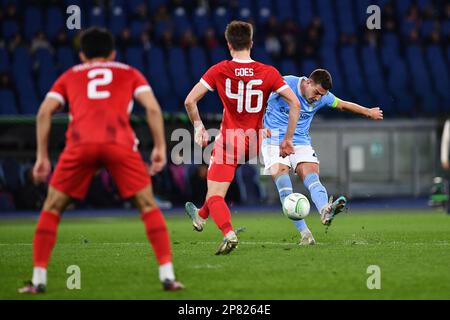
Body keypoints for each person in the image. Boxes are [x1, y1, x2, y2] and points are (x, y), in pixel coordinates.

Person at [18, 27, 183, 294]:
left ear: (82, 55)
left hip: (80, 144)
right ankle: (167, 276)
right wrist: (160, 148)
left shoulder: (70, 75)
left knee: (52, 207)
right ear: (113, 53)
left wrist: (42, 156)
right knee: (147, 205)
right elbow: (152, 108)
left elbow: (44, 112)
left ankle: (38, 280)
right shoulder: (129, 72)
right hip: (118, 143)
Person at [183, 21, 301, 255]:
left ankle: (228, 233)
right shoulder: (269, 72)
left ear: (228, 45)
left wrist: (198, 127)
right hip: (255, 142)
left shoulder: (219, 70)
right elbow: (295, 103)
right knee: (217, 188)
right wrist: (287, 139)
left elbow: (189, 101)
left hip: (230, 141)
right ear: (251, 43)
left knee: (216, 194)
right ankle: (201, 215)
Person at [262, 69, 384, 245]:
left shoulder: (322, 97)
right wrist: (258, 124)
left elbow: (342, 104)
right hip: (273, 140)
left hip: (300, 142)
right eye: (317, 93)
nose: (318, 98)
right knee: (284, 184)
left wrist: (368, 112)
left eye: (322, 95)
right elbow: (259, 97)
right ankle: (305, 234)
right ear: (308, 83)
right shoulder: (285, 83)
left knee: (311, 176)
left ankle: (325, 209)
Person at [440, 119, 450, 213]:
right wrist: (444, 158)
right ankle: (448, 207)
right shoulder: (448, 123)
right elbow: (445, 142)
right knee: (448, 183)